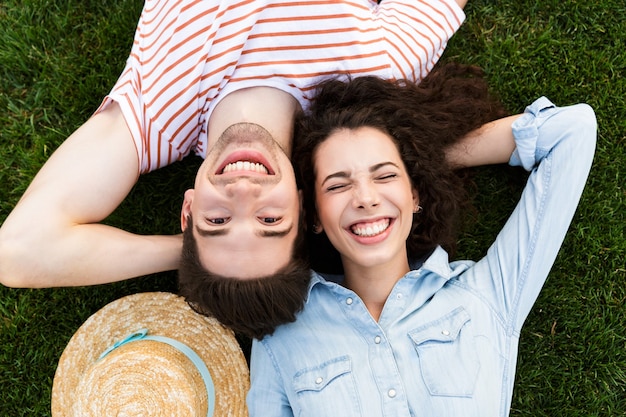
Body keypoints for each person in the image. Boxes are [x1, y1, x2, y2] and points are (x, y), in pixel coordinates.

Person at [0, 0, 467, 289]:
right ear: (304, 208)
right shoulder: (373, 72)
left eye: (217, 220)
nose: (243, 191)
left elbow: (16, 253)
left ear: (188, 210)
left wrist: (188, 252)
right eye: (270, 220)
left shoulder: (156, 117)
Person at [246, 74, 597, 415]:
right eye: (338, 185)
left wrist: (426, 164)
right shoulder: (281, 333)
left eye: (385, 176)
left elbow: (572, 130)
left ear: (415, 195)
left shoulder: (486, 295)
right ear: (315, 215)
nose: (366, 198)